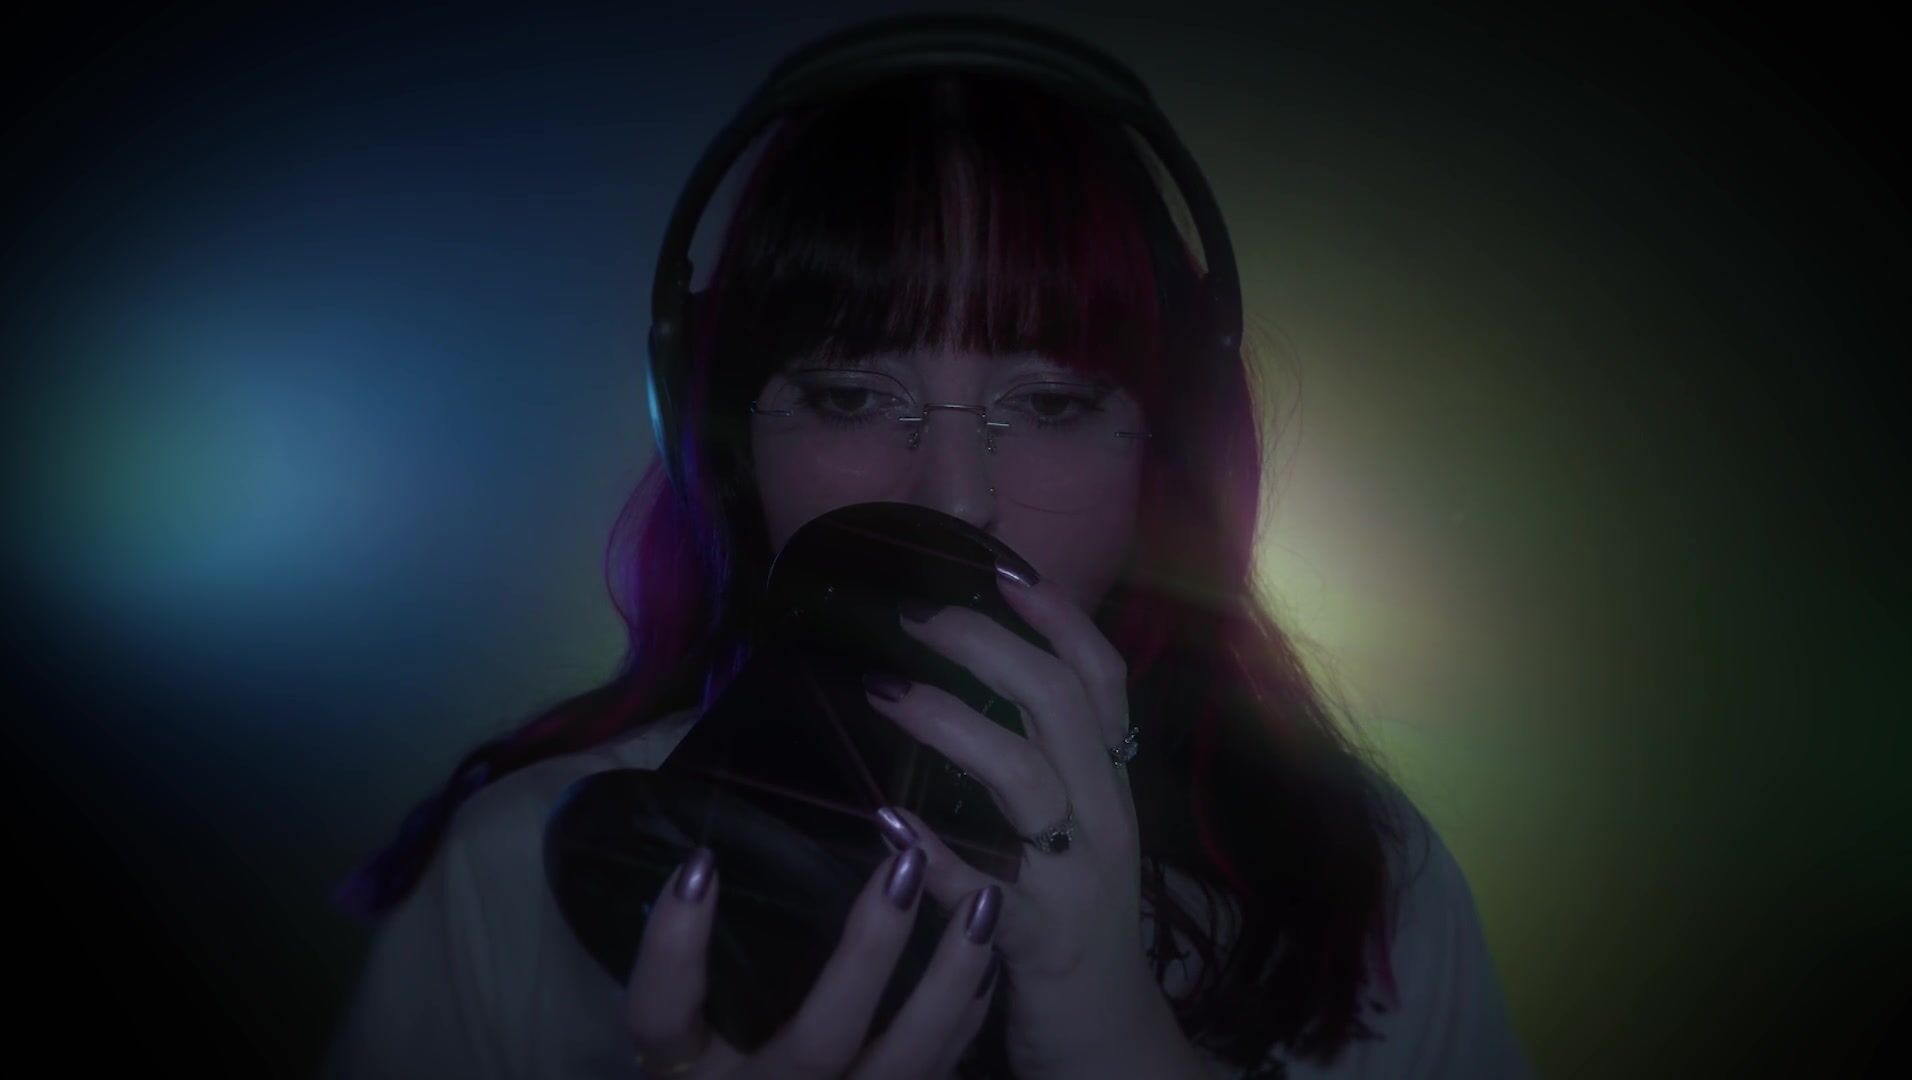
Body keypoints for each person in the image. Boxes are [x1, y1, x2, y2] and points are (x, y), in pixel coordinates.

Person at [324, 32, 1530, 1080]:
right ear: (725, 441)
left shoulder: (1367, 884)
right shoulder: (508, 875)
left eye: (1051, 404)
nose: (955, 497)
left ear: (1169, 452)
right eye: (851, 396)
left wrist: (1119, 1046)